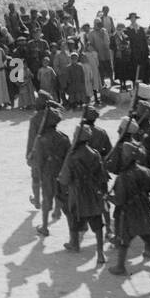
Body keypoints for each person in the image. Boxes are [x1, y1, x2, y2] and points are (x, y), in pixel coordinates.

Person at [109, 142, 150, 287]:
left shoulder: (122, 177)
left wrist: (107, 197)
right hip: (146, 209)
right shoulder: (146, 171)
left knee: (124, 239)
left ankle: (120, 267)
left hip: (130, 213)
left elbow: (120, 200)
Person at [58, 123, 108, 266]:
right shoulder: (95, 153)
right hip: (93, 194)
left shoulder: (72, 156)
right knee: (97, 225)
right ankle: (100, 253)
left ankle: (75, 245)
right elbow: (102, 176)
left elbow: (64, 179)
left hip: (77, 194)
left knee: (74, 220)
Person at [33, 107, 70, 238]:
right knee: (60, 194)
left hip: (48, 171)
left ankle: (44, 227)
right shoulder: (64, 137)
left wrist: (40, 174)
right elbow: (68, 157)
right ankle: (58, 211)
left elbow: (38, 161)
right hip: (61, 170)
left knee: (47, 198)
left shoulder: (41, 139)